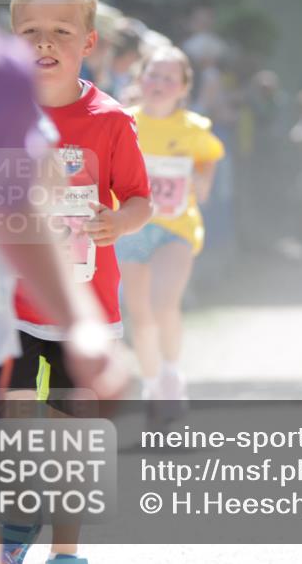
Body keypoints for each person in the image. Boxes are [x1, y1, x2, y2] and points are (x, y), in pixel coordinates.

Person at [5, 0, 154, 564]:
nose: (45, 42)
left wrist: (118, 222)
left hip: (86, 306)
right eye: (30, 31)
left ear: (88, 42)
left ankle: (67, 552)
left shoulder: (110, 120)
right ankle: (15, 533)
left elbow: (142, 200)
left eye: (62, 32)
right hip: (7, 302)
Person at [115, 46, 224, 416]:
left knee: (163, 303)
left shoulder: (194, 128)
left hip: (175, 228)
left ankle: (172, 374)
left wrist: (203, 179)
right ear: (140, 80)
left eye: (169, 78)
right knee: (139, 314)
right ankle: (151, 382)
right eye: (153, 75)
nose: (159, 84)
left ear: (182, 89)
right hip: (129, 229)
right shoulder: (121, 122)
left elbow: (210, 157)